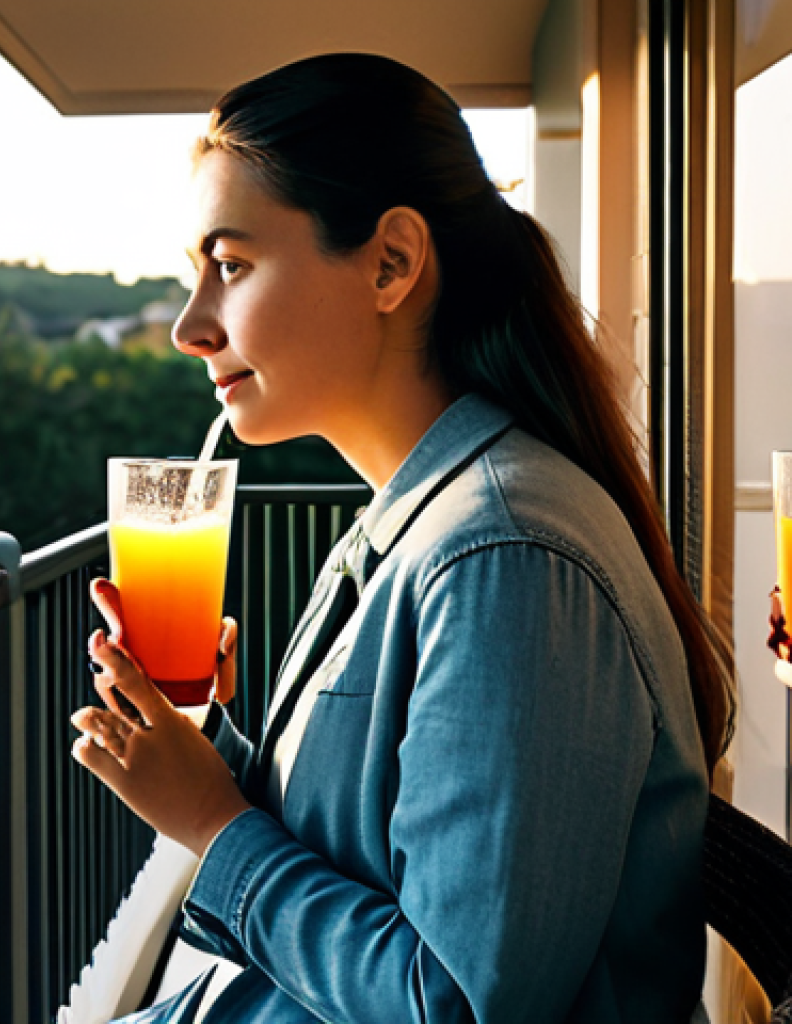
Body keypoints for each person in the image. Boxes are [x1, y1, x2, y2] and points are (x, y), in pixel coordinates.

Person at [70, 52, 735, 1023]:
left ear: (390, 262)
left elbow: (453, 1002)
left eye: (231, 266)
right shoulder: (418, 520)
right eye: (194, 274)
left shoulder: (505, 559)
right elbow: (373, 853)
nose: (189, 327)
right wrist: (205, 746)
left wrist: (213, 824)